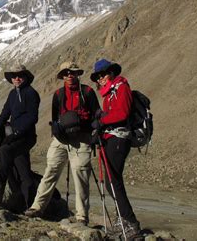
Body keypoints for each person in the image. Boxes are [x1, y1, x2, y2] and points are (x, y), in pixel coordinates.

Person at [25, 62, 99, 225]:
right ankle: (37, 207)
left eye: (72, 72)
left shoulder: (88, 92)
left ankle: (81, 216)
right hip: (60, 140)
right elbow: (55, 117)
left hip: (82, 139)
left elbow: (96, 116)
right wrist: (56, 131)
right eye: (66, 73)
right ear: (62, 76)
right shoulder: (58, 94)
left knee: (80, 176)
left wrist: (94, 135)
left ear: (77, 74)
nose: (69, 76)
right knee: (51, 170)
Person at [90, 59, 141, 238]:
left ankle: (130, 222)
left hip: (119, 138)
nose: (101, 78)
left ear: (111, 73)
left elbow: (122, 113)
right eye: (98, 76)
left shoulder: (121, 87)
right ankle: (124, 219)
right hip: (110, 139)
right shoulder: (109, 92)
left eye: (103, 74)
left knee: (114, 182)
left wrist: (102, 120)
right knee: (113, 182)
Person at [0, 64, 40, 209]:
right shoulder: (13, 94)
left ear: (25, 77)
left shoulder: (31, 93)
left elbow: (32, 117)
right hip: (14, 136)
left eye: (20, 76)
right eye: (14, 76)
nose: (17, 78)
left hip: (26, 137)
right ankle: (26, 203)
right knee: (22, 169)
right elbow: (5, 112)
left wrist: (16, 133)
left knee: (4, 152)